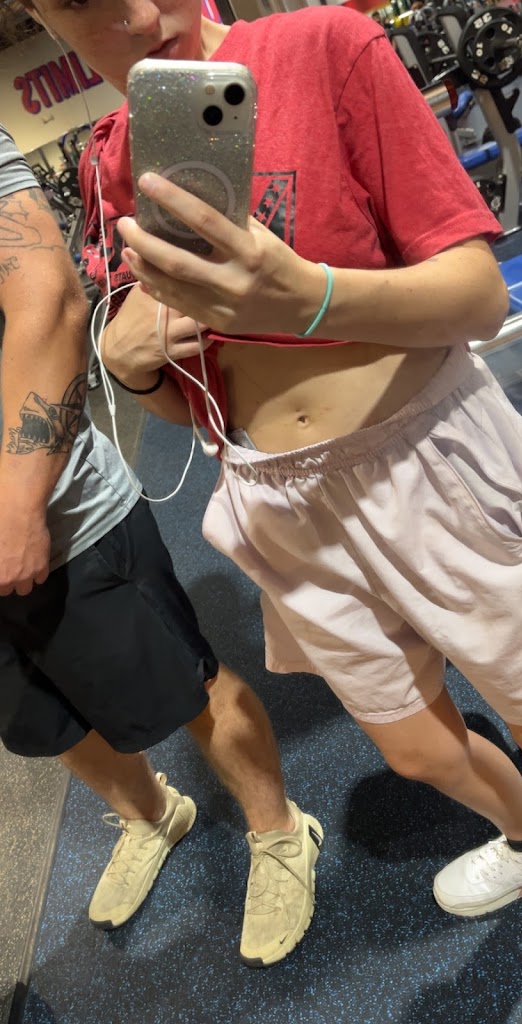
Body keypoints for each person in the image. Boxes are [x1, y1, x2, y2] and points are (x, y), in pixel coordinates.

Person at [13, 0, 522, 1018]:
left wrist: (310, 297)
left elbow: (479, 296)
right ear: (53, 23)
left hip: (426, 456)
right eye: (89, 3)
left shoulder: (324, 47)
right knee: (414, 748)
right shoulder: (114, 164)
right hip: (278, 499)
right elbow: (198, 402)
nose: (136, 12)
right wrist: (135, 370)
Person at [0, 122, 323, 967]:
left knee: (186, 685)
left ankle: (280, 831)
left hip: (52, 519)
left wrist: (20, 506)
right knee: (45, 721)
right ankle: (152, 816)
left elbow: (50, 302)